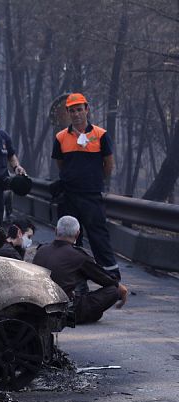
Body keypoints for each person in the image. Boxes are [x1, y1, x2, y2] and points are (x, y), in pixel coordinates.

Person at [51, 93, 120, 279]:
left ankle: (111, 276)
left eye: (79, 109)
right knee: (70, 239)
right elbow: (61, 164)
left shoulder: (101, 135)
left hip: (91, 195)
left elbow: (109, 164)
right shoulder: (60, 138)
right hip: (69, 196)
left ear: (87, 109)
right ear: (68, 112)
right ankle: (73, 276)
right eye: (72, 110)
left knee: (98, 235)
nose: (76, 114)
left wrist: (95, 181)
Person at [33, 215, 128, 324]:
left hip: (38, 306)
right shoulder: (78, 256)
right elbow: (105, 279)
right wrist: (121, 289)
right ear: (77, 234)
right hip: (64, 310)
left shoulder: (41, 250)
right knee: (113, 290)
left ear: (56, 231)